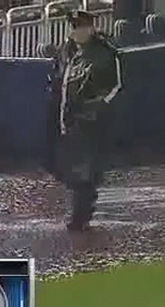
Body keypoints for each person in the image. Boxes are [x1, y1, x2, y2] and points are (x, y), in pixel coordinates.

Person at [55, 10, 122, 232]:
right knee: (75, 172)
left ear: (91, 27)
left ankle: (80, 217)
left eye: (81, 25)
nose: (77, 31)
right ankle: (81, 214)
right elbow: (64, 86)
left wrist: (98, 106)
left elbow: (116, 86)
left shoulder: (104, 52)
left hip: (94, 122)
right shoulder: (69, 52)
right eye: (74, 26)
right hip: (72, 121)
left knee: (86, 172)